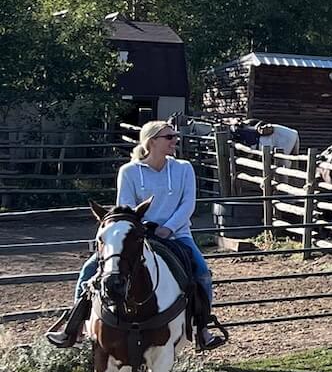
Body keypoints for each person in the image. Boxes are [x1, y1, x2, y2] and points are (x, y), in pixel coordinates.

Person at [47, 120, 225, 351]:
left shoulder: (183, 168)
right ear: (151, 141)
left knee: (202, 273)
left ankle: (203, 329)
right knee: (88, 270)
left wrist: (167, 228)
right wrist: (144, 229)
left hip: (177, 235)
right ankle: (75, 327)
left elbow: (187, 205)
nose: (175, 140)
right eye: (169, 137)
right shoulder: (129, 172)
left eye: (174, 136)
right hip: (139, 235)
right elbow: (125, 208)